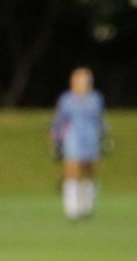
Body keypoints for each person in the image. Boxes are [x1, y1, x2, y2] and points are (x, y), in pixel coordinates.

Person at [51, 67, 108, 221]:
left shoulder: (95, 98)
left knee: (90, 172)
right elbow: (59, 121)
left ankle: (86, 206)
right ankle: (72, 208)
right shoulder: (67, 99)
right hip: (73, 138)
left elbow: (100, 119)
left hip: (91, 138)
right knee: (72, 171)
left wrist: (104, 136)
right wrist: (56, 140)